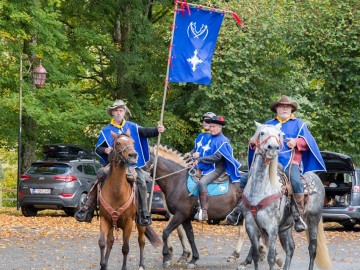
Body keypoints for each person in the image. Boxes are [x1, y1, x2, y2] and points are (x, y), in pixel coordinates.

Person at [227, 95, 326, 232]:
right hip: (267, 162)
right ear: (277, 109)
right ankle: (238, 210)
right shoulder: (268, 124)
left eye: (287, 107)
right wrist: (253, 143)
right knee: (245, 179)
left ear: (291, 109)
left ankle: (298, 216)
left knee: (296, 182)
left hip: (290, 162)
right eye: (282, 107)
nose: (285, 109)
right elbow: (256, 140)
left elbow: (309, 142)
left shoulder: (299, 124)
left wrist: (296, 142)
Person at [75, 100, 165, 226]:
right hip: (113, 164)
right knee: (99, 176)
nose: (118, 112)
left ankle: (144, 213)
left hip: (131, 165)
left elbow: (146, 132)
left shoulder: (132, 126)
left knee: (141, 182)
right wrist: (105, 150)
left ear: (124, 112)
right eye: (116, 110)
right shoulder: (106, 130)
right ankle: (87, 209)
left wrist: (157, 130)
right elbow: (98, 148)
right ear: (112, 113)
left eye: (121, 110)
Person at [189, 115, 242, 221]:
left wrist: (200, 160)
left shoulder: (223, 140)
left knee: (202, 183)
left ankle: (203, 211)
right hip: (205, 166)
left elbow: (216, 157)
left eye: (214, 127)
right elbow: (203, 151)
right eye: (211, 126)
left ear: (220, 127)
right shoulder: (209, 138)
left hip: (217, 168)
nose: (211, 129)